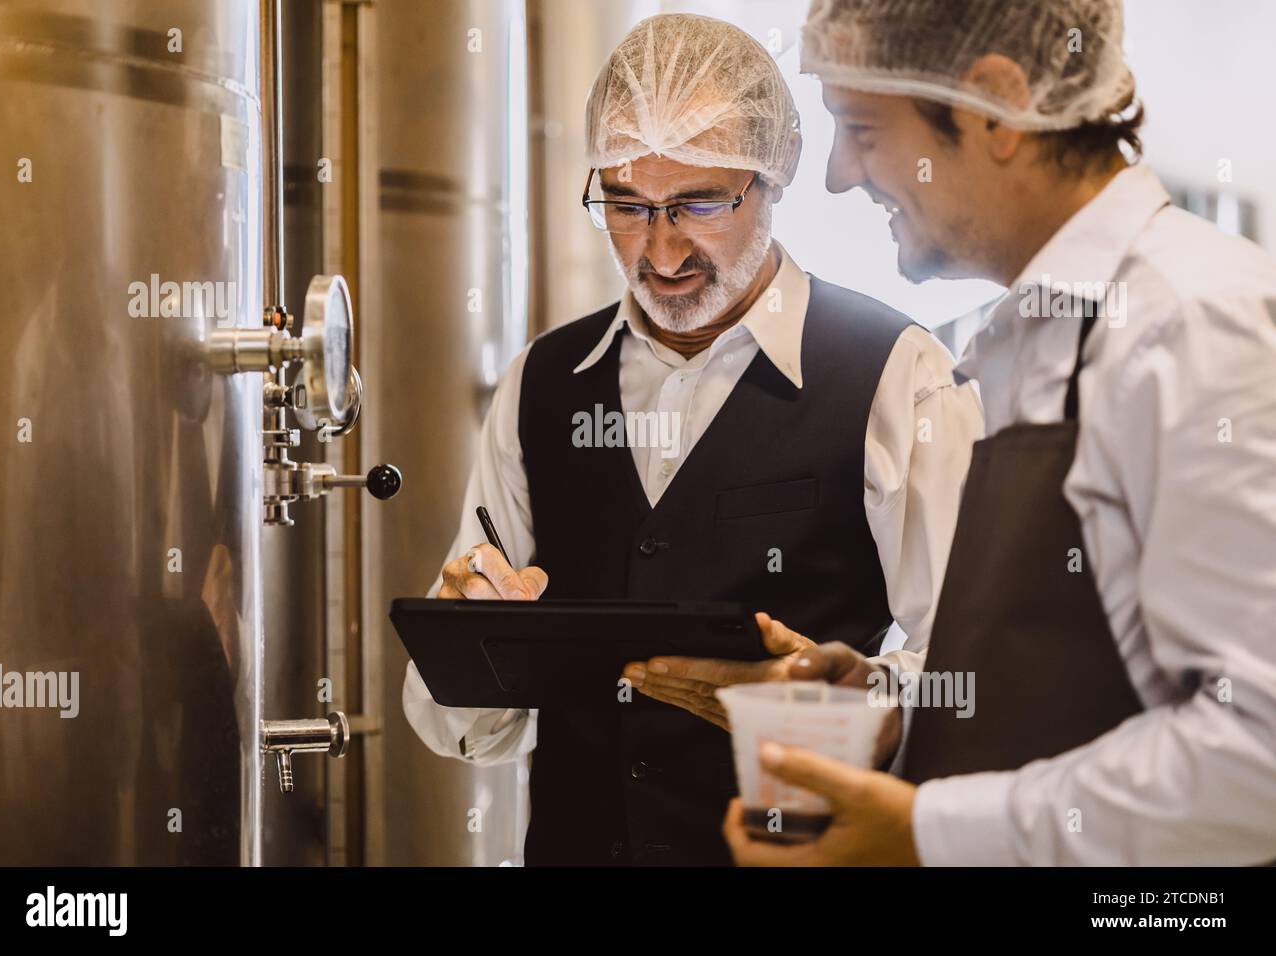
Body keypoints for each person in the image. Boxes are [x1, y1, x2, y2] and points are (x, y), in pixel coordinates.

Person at [401, 12, 983, 866]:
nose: (662, 246)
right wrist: (472, 641)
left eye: (699, 202)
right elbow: (464, 729)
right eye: (627, 204)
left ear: (771, 179)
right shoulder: (540, 384)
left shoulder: (897, 374)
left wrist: (843, 708)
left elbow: (976, 685)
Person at [724, 0, 1276, 866]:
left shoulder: (1194, 325)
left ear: (993, 104)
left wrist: (925, 833)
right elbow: (1074, 686)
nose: (836, 175)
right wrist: (896, 702)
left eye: (861, 127)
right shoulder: (1030, 336)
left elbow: (1258, 755)